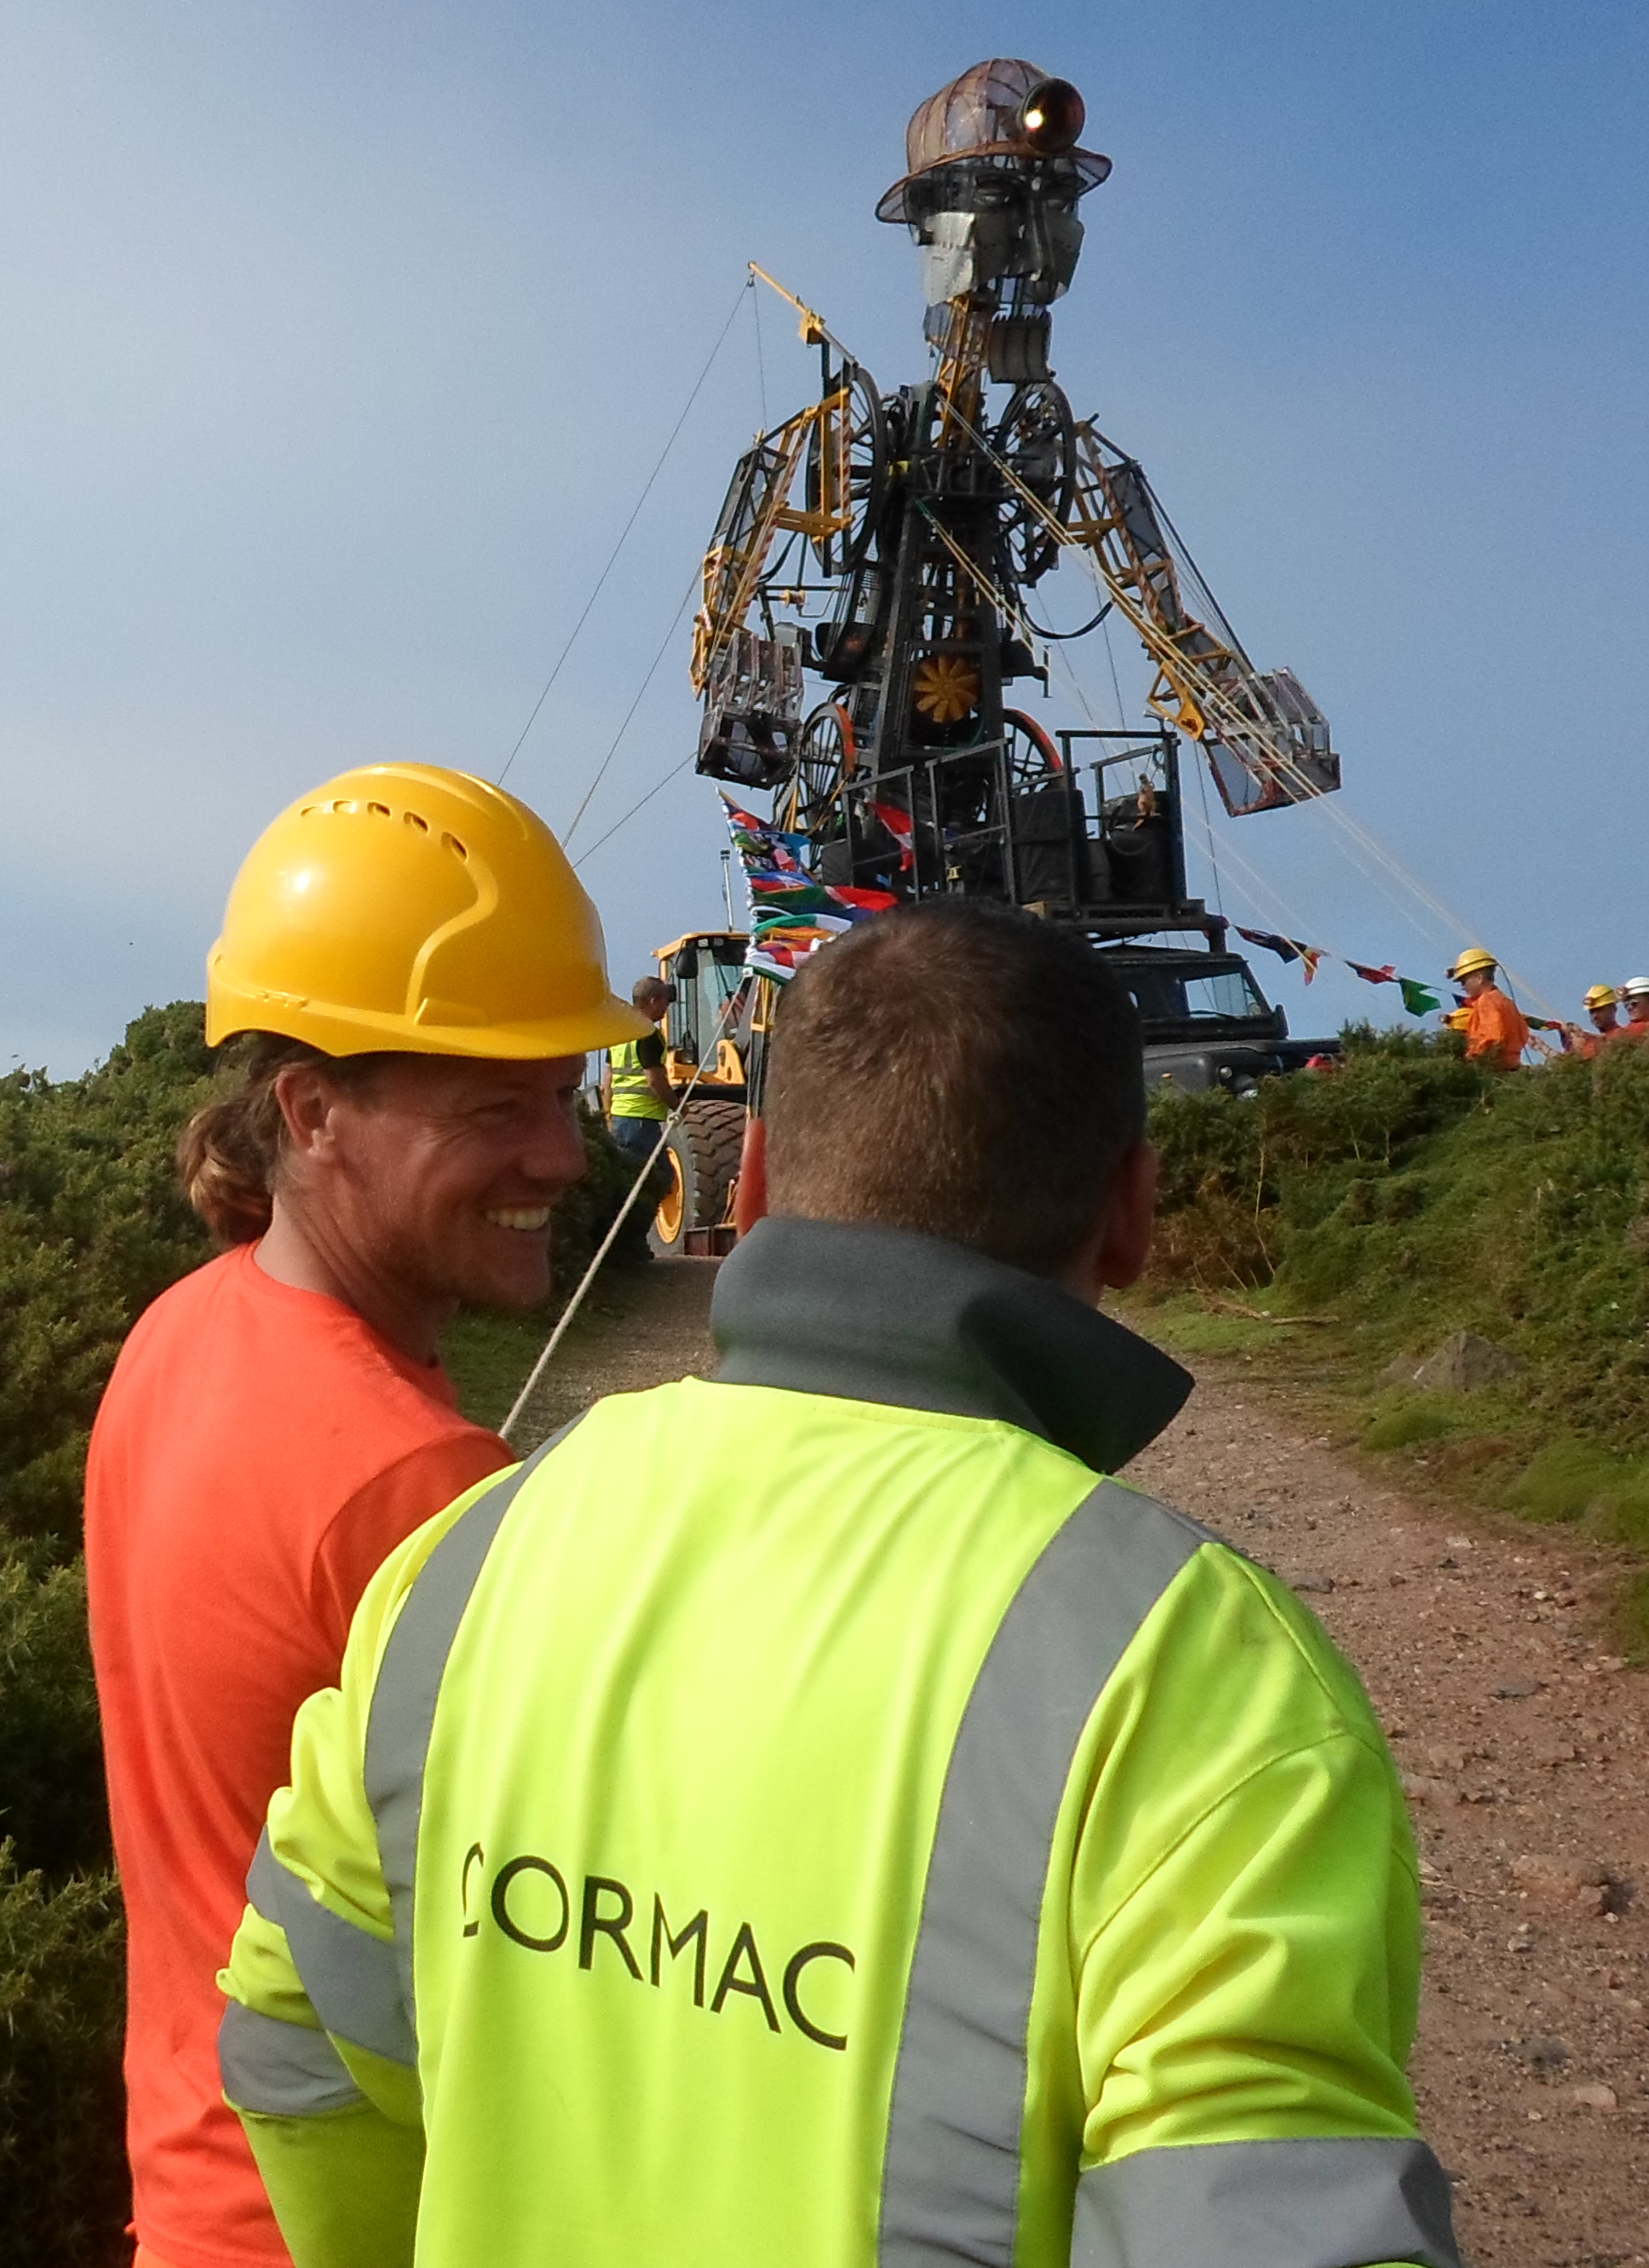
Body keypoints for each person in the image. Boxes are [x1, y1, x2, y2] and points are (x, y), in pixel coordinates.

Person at [217, 900, 1457, 2268]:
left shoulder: (468, 1550)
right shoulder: (1205, 1675)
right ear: (1133, 1214)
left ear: (745, 1187)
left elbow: (291, 2031)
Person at [85, 763, 647, 2268]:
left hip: (196, 2183)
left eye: (561, 1089)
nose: (558, 1150)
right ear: (312, 1109)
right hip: (342, 2217)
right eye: (493, 1104)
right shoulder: (419, 1487)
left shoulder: (178, 1331)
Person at [600, 974, 677, 1253]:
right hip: (642, 1121)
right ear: (653, 1001)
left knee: (630, 1180)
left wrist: (609, 1113)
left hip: (622, 1118)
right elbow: (655, 1080)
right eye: (665, 1002)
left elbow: (606, 1080)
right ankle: (632, 1244)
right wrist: (678, 1106)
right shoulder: (647, 1034)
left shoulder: (620, 1032)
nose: (667, 1008)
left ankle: (623, 1243)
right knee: (658, 1179)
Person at [1447, 945, 1531, 1068]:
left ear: (1479, 978)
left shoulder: (1487, 1001)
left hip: (1493, 1069)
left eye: (1464, 981)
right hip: (1512, 1066)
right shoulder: (1506, 1002)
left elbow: (1492, 1038)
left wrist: (1470, 1059)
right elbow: (1523, 1034)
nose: (1462, 987)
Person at [1565, 983, 1622, 1056]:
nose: (1595, 1016)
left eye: (1599, 1010)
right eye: (1592, 1011)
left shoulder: (1623, 1036)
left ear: (1613, 1009)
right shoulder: (1593, 1041)